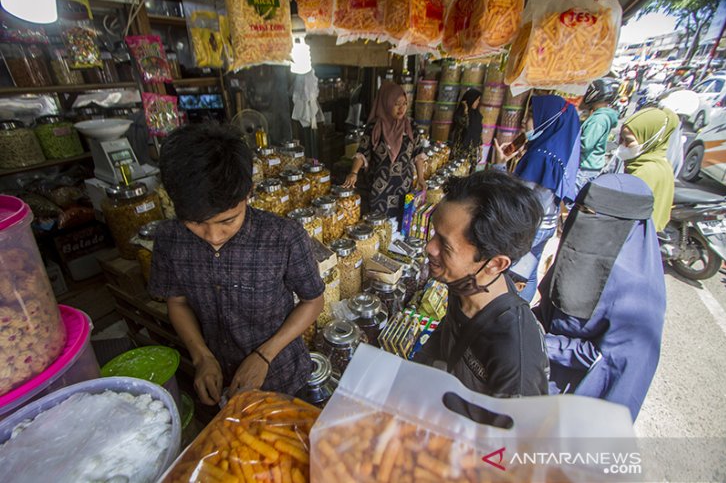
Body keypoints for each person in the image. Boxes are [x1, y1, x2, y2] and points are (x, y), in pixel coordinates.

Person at [148, 124, 325, 405]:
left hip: (283, 377)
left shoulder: (283, 237)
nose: (213, 236)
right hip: (220, 381)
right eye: (195, 223)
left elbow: (312, 301)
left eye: (227, 221)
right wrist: (202, 356)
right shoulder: (169, 239)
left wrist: (265, 355)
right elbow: (177, 301)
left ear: (248, 194)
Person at [534, 174, 666, 421]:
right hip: (535, 374)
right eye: (580, 209)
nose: (580, 220)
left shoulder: (638, 295)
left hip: (572, 396)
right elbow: (548, 305)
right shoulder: (578, 253)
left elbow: (607, 362)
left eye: (591, 214)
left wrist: (539, 341)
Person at [414, 171, 549, 397]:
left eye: (445, 246)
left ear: (495, 264)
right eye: (434, 233)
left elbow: (509, 430)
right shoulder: (466, 284)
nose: (429, 247)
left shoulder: (515, 361)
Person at [493, 95, 581, 304]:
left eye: (532, 115)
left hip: (529, 227)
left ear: (550, 119)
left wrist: (499, 167)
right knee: (529, 271)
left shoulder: (540, 156)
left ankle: (512, 312)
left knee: (513, 277)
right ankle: (522, 308)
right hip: (546, 224)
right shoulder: (558, 150)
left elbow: (515, 199)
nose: (524, 121)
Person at [343, 81, 427, 218]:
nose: (401, 108)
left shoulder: (410, 126)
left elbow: (418, 153)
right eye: (397, 104)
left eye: (404, 103)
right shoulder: (374, 127)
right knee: (379, 224)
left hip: (403, 186)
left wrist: (421, 178)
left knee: (401, 222)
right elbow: (362, 152)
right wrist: (353, 173)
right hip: (379, 187)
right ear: (386, 103)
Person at [617, 106, 679, 231]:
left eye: (628, 141)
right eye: (621, 139)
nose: (623, 145)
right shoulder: (661, 163)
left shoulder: (644, 172)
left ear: (651, 139)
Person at [576, 78, 620, 193]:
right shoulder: (601, 116)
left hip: (585, 167)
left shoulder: (599, 119)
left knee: (572, 200)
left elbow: (585, 144)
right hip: (589, 166)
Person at [452, 88, 483, 164]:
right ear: (471, 100)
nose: (478, 102)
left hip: (472, 152)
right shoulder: (460, 115)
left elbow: (478, 131)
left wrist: (480, 148)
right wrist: (465, 110)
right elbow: (465, 124)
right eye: (477, 100)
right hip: (461, 151)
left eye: (479, 100)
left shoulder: (477, 115)